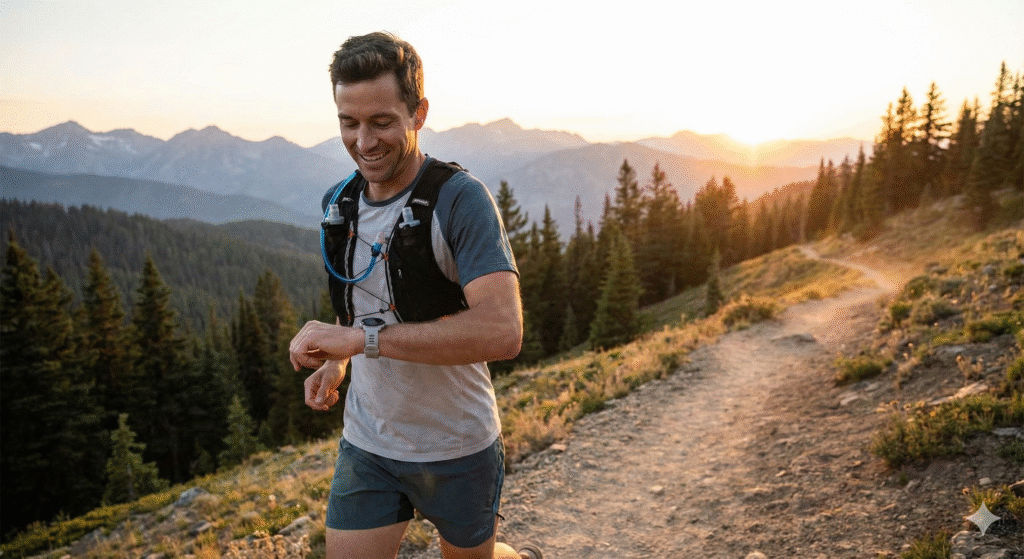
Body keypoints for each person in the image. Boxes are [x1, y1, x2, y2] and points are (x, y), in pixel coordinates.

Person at [288, 32, 542, 559]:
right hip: (369, 444)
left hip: (459, 446)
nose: (364, 141)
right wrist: (336, 363)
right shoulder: (339, 205)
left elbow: (503, 331)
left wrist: (360, 339)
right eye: (348, 122)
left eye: (381, 122)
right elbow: (360, 311)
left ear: (418, 112)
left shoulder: (459, 201)